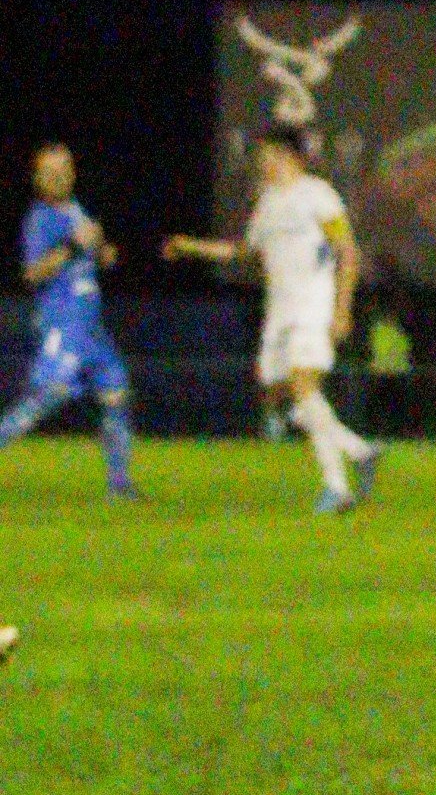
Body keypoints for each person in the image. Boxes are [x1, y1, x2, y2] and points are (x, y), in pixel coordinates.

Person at [164, 125, 383, 512]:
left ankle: (336, 487)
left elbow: (348, 251)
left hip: (312, 307)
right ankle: (359, 450)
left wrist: (342, 309)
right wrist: (191, 247)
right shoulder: (267, 203)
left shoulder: (318, 195)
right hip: (278, 314)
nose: (260, 160)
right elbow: (243, 251)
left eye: (266, 153)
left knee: (302, 386)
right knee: (280, 393)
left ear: (287, 155)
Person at [0, 143, 139, 497]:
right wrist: (74, 246)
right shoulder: (40, 218)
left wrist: (103, 253)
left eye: (63, 169)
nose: (58, 176)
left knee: (116, 394)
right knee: (49, 394)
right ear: (37, 179)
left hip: (91, 327)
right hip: (63, 321)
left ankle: (120, 486)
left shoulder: (77, 211)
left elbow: (92, 256)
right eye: (49, 171)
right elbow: (32, 273)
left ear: (73, 172)